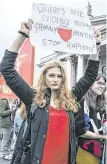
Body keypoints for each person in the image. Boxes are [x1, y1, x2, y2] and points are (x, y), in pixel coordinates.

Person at [0, 19, 101, 164]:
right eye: (51, 75)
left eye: (59, 76)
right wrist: (22, 34)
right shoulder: (33, 98)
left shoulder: (70, 99)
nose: (55, 79)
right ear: (44, 78)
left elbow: (90, 75)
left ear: (63, 79)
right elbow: (7, 69)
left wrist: (96, 45)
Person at [75, 74, 107, 164]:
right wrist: (103, 137)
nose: (101, 86)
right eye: (99, 83)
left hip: (99, 152)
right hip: (85, 150)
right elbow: (81, 131)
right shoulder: (82, 102)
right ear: (90, 84)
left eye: (103, 84)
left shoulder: (100, 105)